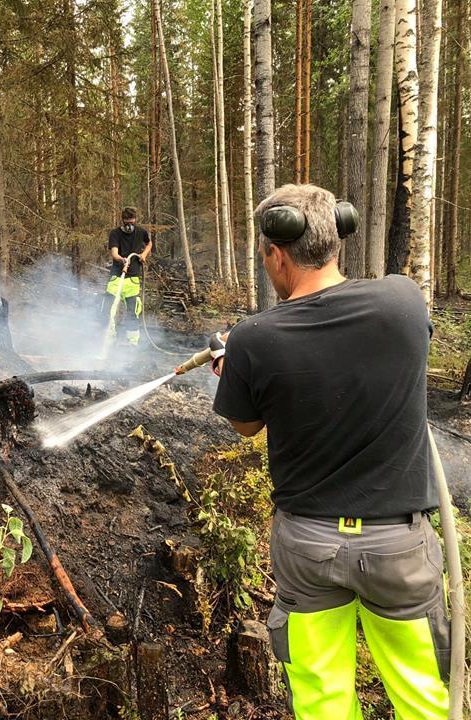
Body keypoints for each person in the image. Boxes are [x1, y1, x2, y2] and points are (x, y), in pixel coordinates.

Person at [209, 183, 449, 720]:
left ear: (276, 251)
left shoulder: (253, 339)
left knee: (322, 700)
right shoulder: (404, 301)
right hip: (399, 548)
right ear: (339, 231)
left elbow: (246, 426)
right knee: (425, 697)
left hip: (308, 547)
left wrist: (239, 367)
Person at [104, 207, 152, 347]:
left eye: (132, 221)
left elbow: (149, 243)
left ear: (135, 220)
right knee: (109, 309)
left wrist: (143, 254)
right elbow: (114, 253)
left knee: (133, 311)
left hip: (133, 279)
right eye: (127, 222)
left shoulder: (141, 232)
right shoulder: (115, 233)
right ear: (123, 221)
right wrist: (121, 259)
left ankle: (132, 344)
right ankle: (108, 341)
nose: (130, 225)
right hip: (116, 277)